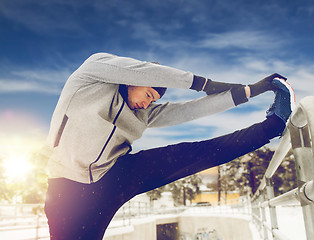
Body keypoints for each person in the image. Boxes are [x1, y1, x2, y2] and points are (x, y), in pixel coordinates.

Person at [44, 52, 295, 239]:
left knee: (198, 153)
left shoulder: (144, 114)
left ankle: (274, 124)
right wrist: (205, 84)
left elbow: (192, 110)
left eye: (153, 100)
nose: (146, 104)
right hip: (67, 191)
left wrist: (252, 90)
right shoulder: (90, 75)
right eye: (148, 95)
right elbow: (146, 71)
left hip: (116, 175)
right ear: (133, 79)